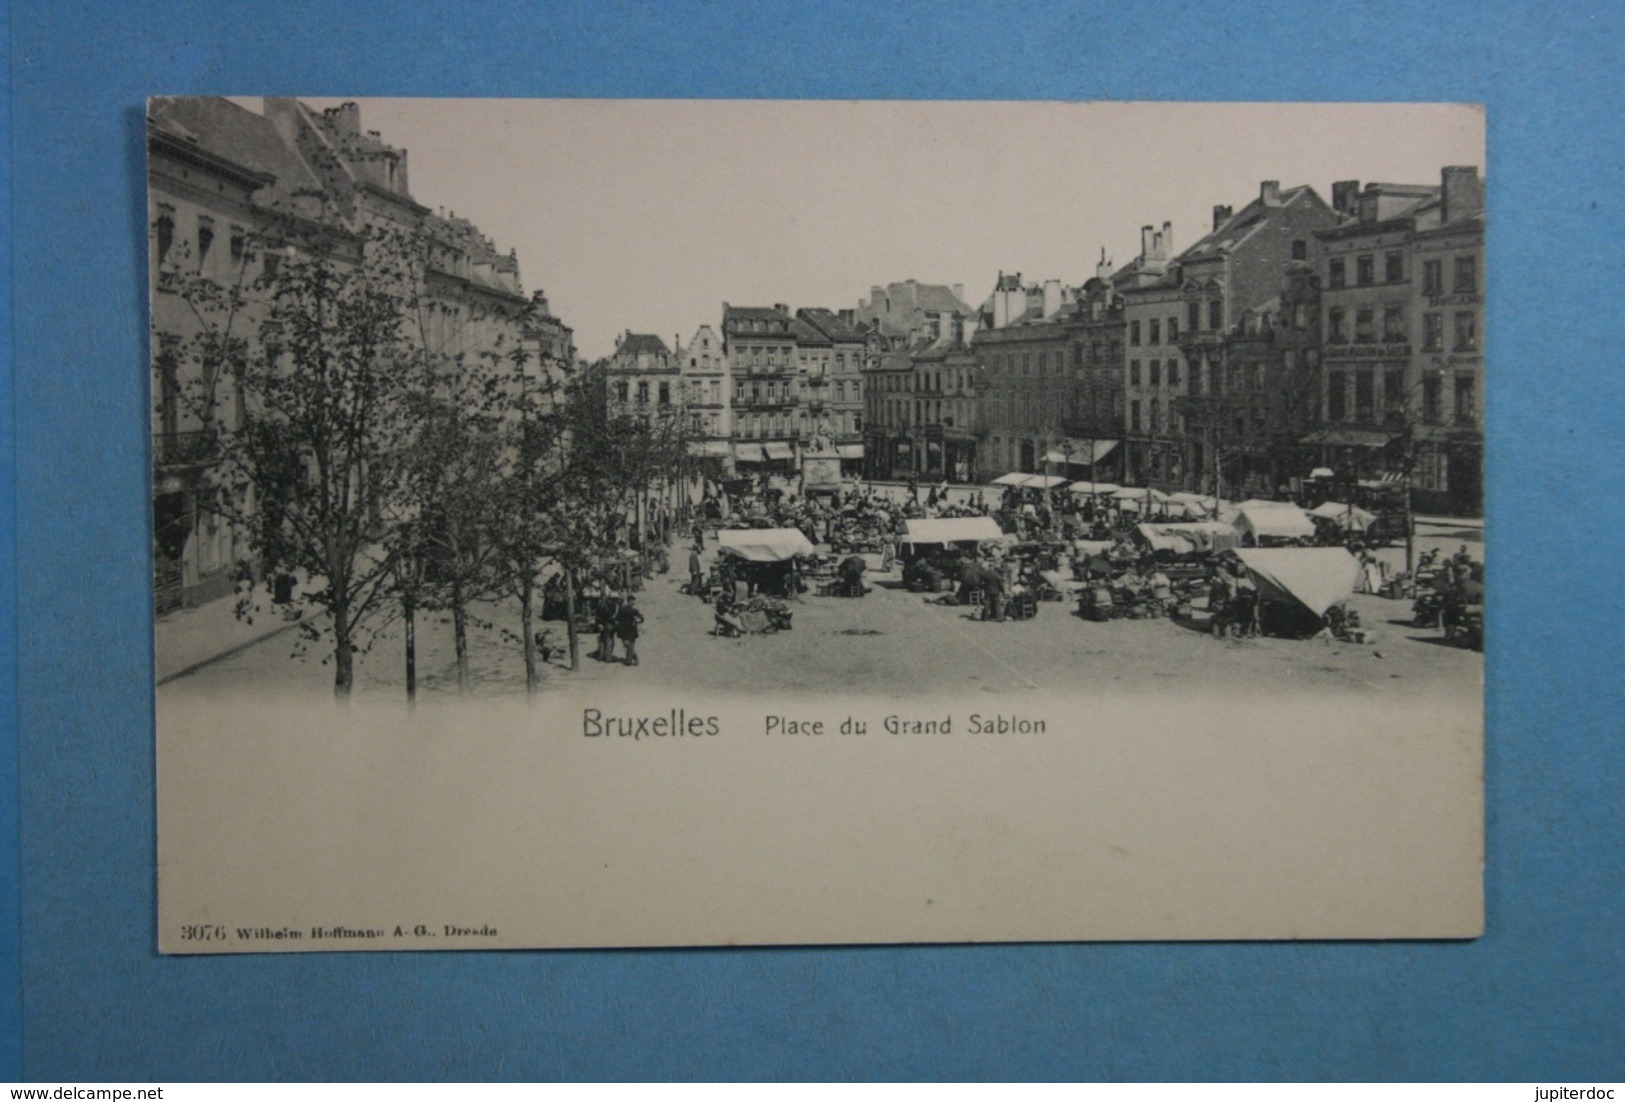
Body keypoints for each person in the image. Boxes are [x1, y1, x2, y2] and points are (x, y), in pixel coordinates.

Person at [615, 595, 644, 666]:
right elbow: (641, 619)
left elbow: (617, 619)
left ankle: (629, 660)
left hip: (622, 630)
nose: (634, 602)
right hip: (631, 630)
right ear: (630, 601)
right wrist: (637, 622)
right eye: (634, 600)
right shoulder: (634, 610)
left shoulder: (621, 609)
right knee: (631, 645)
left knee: (627, 645)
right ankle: (632, 658)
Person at [595, 593, 620, 662]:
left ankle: (600, 656)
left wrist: (598, 624)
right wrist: (615, 622)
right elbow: (609, 617)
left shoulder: (600, 605)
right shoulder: (611, 606)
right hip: (608, 625)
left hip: (601, 624)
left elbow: (597, 615)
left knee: (602, 640)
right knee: (609, 640)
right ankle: (608, 657)